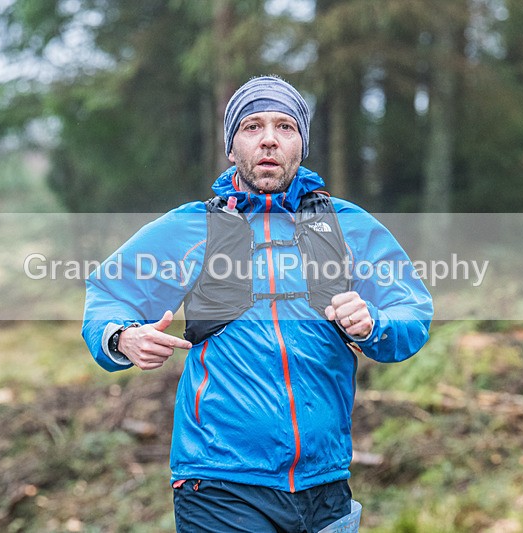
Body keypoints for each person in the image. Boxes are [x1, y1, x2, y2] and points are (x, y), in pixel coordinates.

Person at [82, 75, 433, 532]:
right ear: (232, 147)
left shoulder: (348, 225)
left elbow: (413, 310)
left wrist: (374, 323)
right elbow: (107, 294)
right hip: (220, 484)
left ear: (301, 145)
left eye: (285, 127)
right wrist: (121, 337)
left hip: (324, 483)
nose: (269, 138)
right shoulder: (192, 227)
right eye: (252, 127)